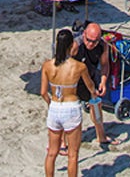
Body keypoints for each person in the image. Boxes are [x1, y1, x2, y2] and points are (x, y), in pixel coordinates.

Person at [41, 29, 98, 177]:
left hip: (54, 107)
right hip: (71, 107)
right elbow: (90, 86)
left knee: (52, 152)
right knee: (73, 154)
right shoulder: (79, 66)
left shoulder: (47, 65)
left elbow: (43, 92)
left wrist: (50, 103)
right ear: (71, 45)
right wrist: (94, 93)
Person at [71, 23, 118, 151]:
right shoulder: (76, 45)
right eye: (88, 40)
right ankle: (64, 142)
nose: (91, 44)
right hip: (72, 80)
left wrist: (103, 81)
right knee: (70, 110)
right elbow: (63, 65)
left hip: (89, 79)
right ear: (84, 34)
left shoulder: (103, 46)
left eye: (94, 41)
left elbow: (104, 65)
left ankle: (101, 136)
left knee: (96, 104)